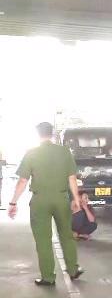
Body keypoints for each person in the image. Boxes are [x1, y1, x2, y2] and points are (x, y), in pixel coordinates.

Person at [7, 122, 84, 286]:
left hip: (40, 200)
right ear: (53, 134)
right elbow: (72, 178)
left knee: (43, 239)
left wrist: (13, 202)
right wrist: (76, 200)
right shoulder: (64, 152)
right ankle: (73, 269)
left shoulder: (32, 153)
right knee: (67, 235)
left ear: (38, 134)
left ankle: (48, 277)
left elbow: (22, 180)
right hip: (61, 198)